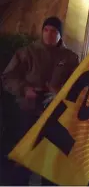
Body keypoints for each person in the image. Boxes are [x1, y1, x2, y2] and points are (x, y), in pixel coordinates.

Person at [0, 16, 79, 185]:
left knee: (51, 167)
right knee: (22, 165)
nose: (50, 34)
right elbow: (8, 77)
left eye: (54, 31)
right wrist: (25, 89)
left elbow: (77, 85)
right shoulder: (27, 52)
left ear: (60, 35)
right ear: (42, 31)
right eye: (46, 30)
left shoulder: (70, 58)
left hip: (56, 118)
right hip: (28, 115)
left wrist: (60, 92)